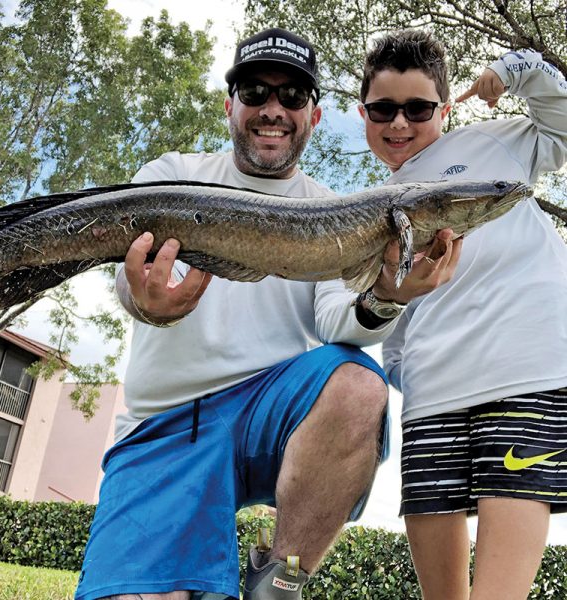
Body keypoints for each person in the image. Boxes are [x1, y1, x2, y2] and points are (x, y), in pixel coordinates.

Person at [74, 27, 459, 600]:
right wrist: (146, 305)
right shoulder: (170, 173)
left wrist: (388, 298)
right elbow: (130, 284)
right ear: (230, 105)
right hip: (164, 425)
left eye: (292, 97)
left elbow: (337, 321)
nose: (273, 110)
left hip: (272, 415)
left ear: (316, 116)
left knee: (358, 383)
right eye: (255, 92)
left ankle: (281, 582)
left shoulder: (333, 208)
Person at [358, 29, 567, 600]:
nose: (400, 123)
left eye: (418, 108)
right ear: (364, 114)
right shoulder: (369, 208)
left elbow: (562, 118)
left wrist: (519, 69)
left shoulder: (497, 144)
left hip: (523, 379)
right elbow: (390, 318)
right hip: (430, 402)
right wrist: (406, 374)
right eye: (384, 109)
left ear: (445, 110)